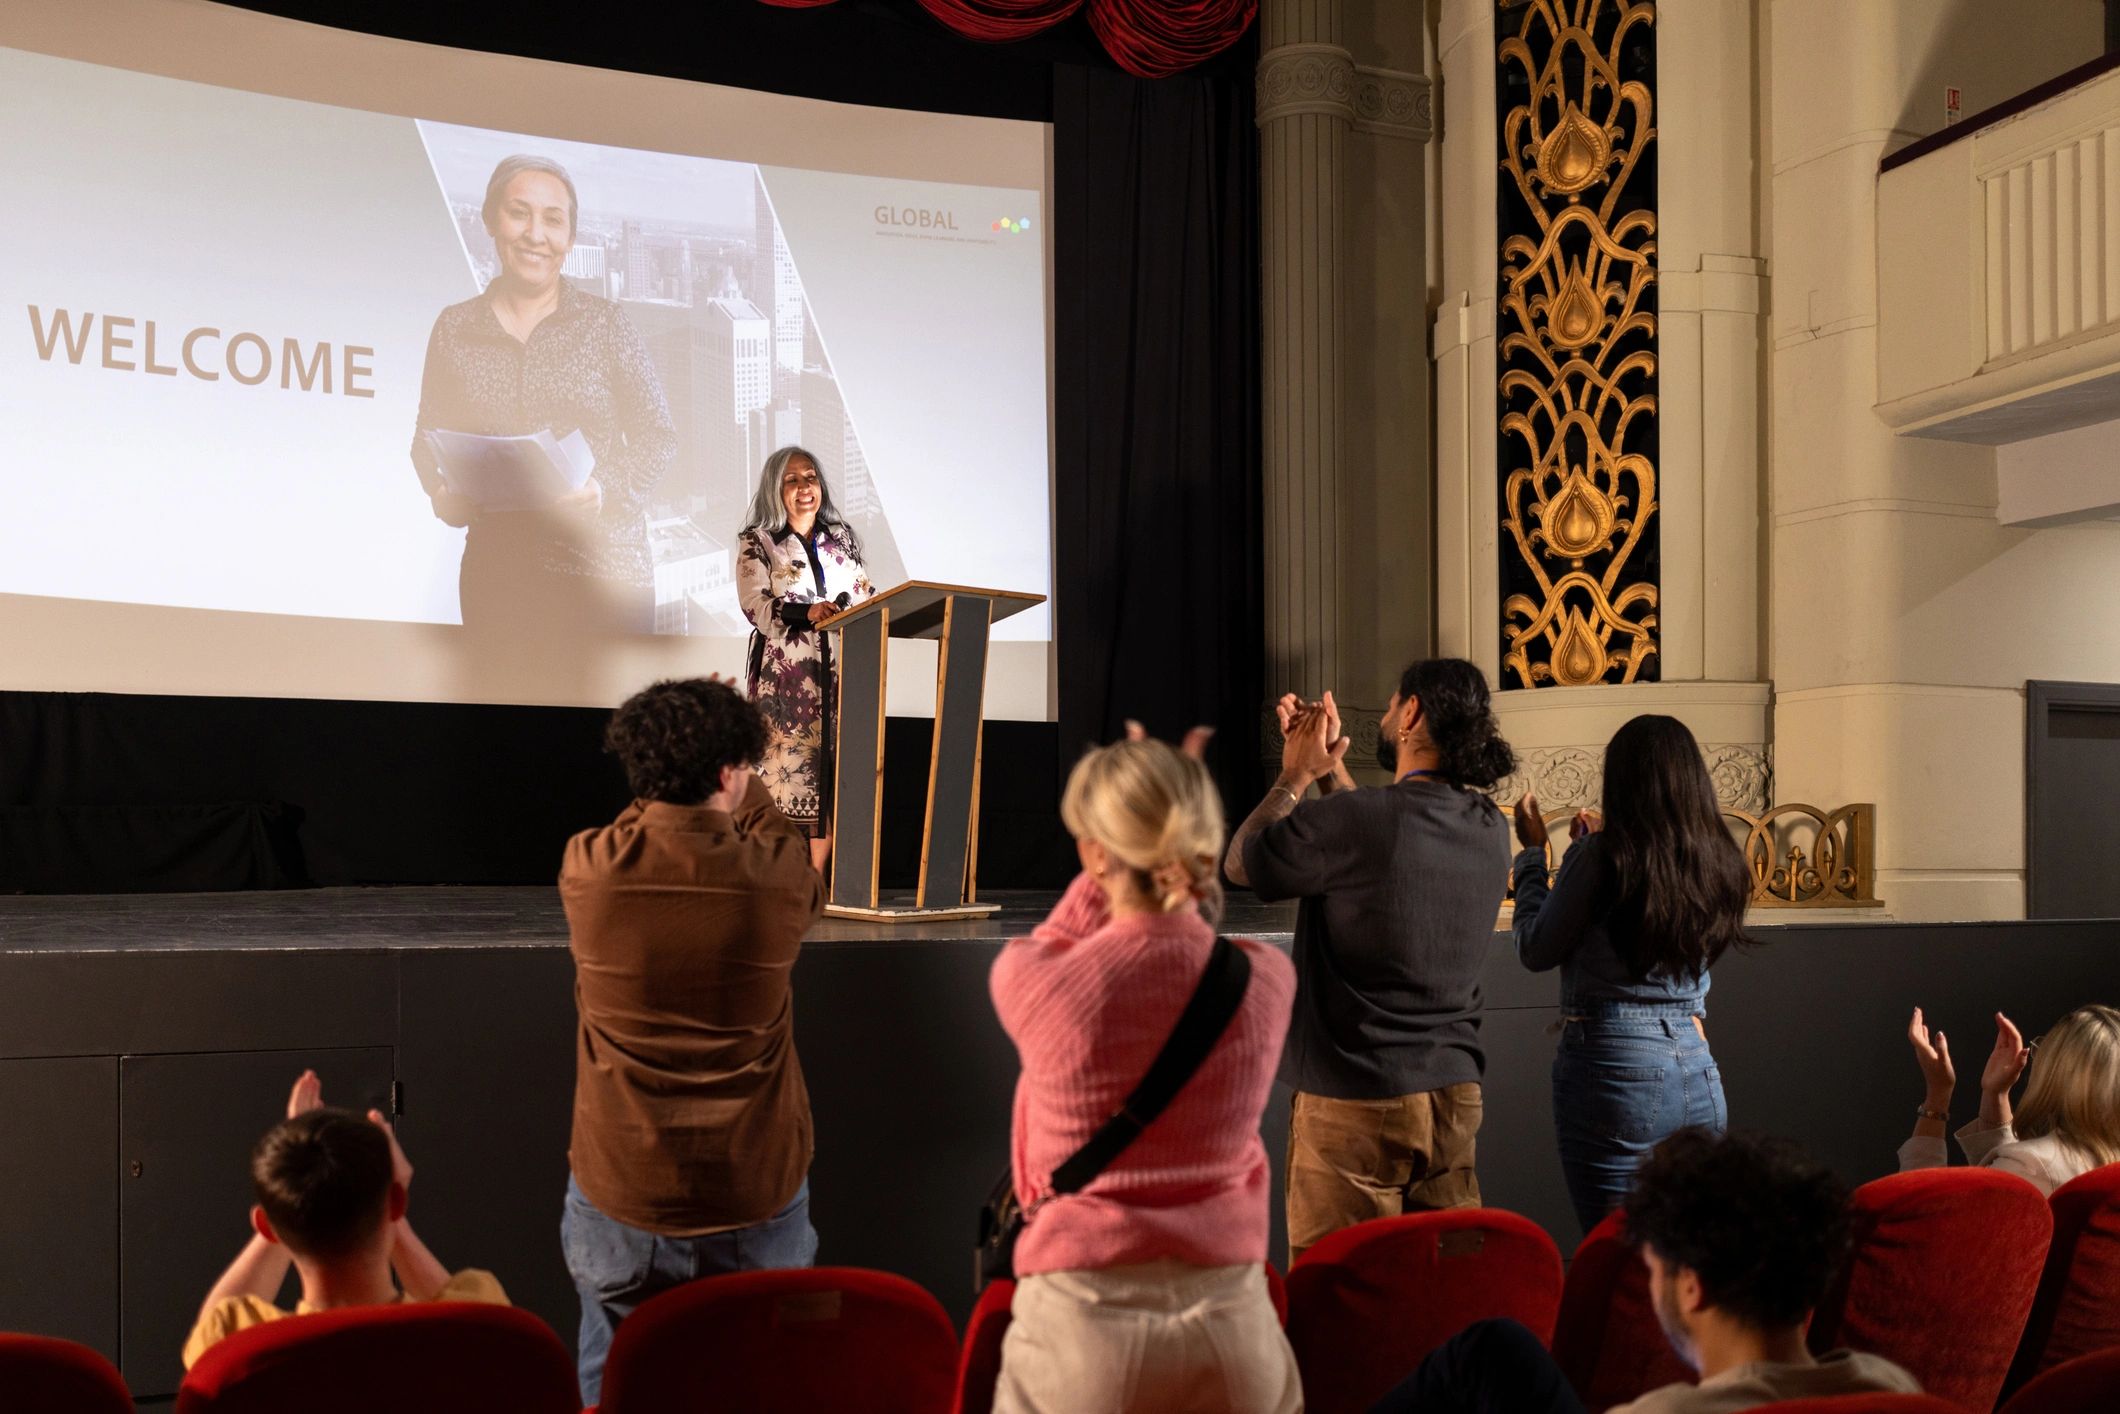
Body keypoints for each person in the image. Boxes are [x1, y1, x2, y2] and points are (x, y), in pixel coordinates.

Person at [991, 728, 1300, 1414]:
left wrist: (1136, 833)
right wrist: (1169, 821)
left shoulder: (1033, 983)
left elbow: (1065, 941)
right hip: (1236, 1338)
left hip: (1083, 1339)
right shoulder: (1267, 980)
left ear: (1096, 854)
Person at [558, 677, 823, 1404]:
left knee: (614, 1388)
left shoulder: (589, 870)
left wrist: (678, 753)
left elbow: (642, 823)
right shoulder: (775, 880)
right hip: (754, 1189)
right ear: (730, 772)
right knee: (760, 1389)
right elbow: (788, 855)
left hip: (624, 1189)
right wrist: (742, 774)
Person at [1223, 660, 1516, 1261]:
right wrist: (1332, 770)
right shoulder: (1489, 825)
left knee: (1343, 1300)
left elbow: (1242, 863)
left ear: (1411, 714)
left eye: (1389, 705)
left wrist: (1296, 775)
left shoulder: (1361, 821)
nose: (1383, 717)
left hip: (1357, 1101)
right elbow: (1381, 842)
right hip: (1453, 1098)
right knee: (1444, 1298)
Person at [1368, 1128, 1921, 1413]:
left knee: (1490, 1349)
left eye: (1653, 1267)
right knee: (1497, 1349)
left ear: (1690, 1286)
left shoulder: (1665, 1412)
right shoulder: (1889, 1386)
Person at [410, 154, 675, 636]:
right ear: (491, 220)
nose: (536, 234)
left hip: (606, 575)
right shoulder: (455, 328)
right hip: (499, 577)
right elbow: (426, 436)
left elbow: (658, 435)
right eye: (519, 213)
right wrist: (440, 492)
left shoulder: (606, 324)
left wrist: (605, 489)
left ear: (570, 239)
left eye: (553, 220)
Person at [1511, 714, 1750, 1234]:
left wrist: (1534, 857)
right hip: (1696, 1064)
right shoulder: (1720, 859)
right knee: (1692, 1261)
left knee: (1616, 1266)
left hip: (1615, 1066)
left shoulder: (1600, 857)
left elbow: (1535, 946)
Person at [184, 1070, 506, 1368]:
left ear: (267, 1227)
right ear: (396, 1204)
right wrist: (394, 1200)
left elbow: (212, 1330)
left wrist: (288, 1188)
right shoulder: (480, 1332)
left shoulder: (234, 1352)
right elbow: (473, 1315)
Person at [735, 445, 878, 875]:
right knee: (786, 776)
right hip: (785, 682)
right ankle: (777, 879)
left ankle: (813, 883)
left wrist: (859, 604)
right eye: (793, 480)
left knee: (830, 780)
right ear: (775, 489)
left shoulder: (841, 539)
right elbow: (755, 606)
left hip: (839, 677)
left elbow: (865, 594)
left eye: (811, 477)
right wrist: (807, 611)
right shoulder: (758, 541)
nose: (805, 487)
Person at [1901, 1003, 2120, 1195]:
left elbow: (1925, 1220)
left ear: (2056, 1072)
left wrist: (1938, 1095)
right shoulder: (2106, 1166)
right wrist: (1995, 1094)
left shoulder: (2031, 1166)